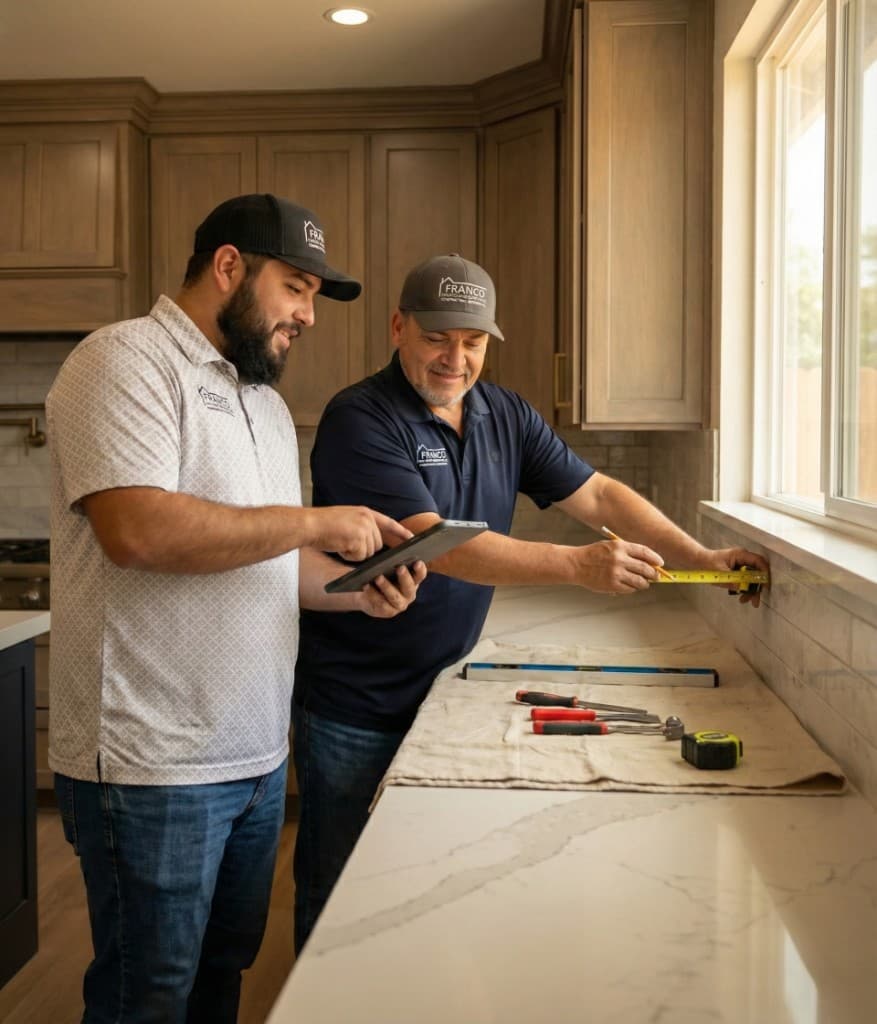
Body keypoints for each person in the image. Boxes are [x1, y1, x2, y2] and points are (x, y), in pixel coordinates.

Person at [292, 252, 770, 951]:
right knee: (336, 894)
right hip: (353, 707)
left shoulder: (503, 414)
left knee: (418, 893)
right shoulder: (359, 418)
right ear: (398, 328)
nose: (456, 358)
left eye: (473, 341)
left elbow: (600, 495)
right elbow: (436, 544)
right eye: (437, 337)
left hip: (442, 692)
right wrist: (577, 565)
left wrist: (696, 556)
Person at [45, 193, 426, 1023]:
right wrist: (317, 520)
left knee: (220, 980)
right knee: (145, 995)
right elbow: (137, 531)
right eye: (295, 287)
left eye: (314, 296)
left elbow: (263, 562)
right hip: (151, 761)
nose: (307, 315)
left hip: (253, 756)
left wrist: (360, 592)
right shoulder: (123, 362)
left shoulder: (260, 401)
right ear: (228, 268)